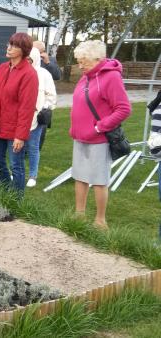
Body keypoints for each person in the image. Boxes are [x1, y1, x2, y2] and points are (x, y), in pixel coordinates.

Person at [70, 40, 131, 229]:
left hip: (99, 139)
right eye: (79, 61)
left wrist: (99, 127)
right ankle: (79, 214)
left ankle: (100, 220)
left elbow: (123, 109)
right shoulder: (86, 76)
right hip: (80, 136)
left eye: (84, 61)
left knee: (98, 179)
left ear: (98, 59)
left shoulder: (111, 77)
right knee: (80, 176)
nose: (80, 65)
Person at [0, 33, 38, 193]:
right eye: (9, 44)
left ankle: (16, 200)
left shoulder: (29, 74)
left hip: (15, 130)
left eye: (14, 46)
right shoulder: (1, 69)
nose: (9, 48)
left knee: (16, 166)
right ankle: (6, 192)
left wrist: (20, 135)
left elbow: (26, 108)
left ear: (24, 50)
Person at [25, 47, 57, 188]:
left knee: (33, 146)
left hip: (36, 117)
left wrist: (43, 108)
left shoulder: (44, 74)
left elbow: (51, 96)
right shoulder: (19, 73)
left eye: (29, 60)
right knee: (16, 146)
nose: (27, 62)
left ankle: (33, 174)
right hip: (19, 116)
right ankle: (17, 170)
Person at [33, 40, 61, 151]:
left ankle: (36, 149)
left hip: (44, 98)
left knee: (41, 123)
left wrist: (48, 62)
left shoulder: (50, 60)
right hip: (32, 95)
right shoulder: (29, 59)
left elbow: (57, 76)